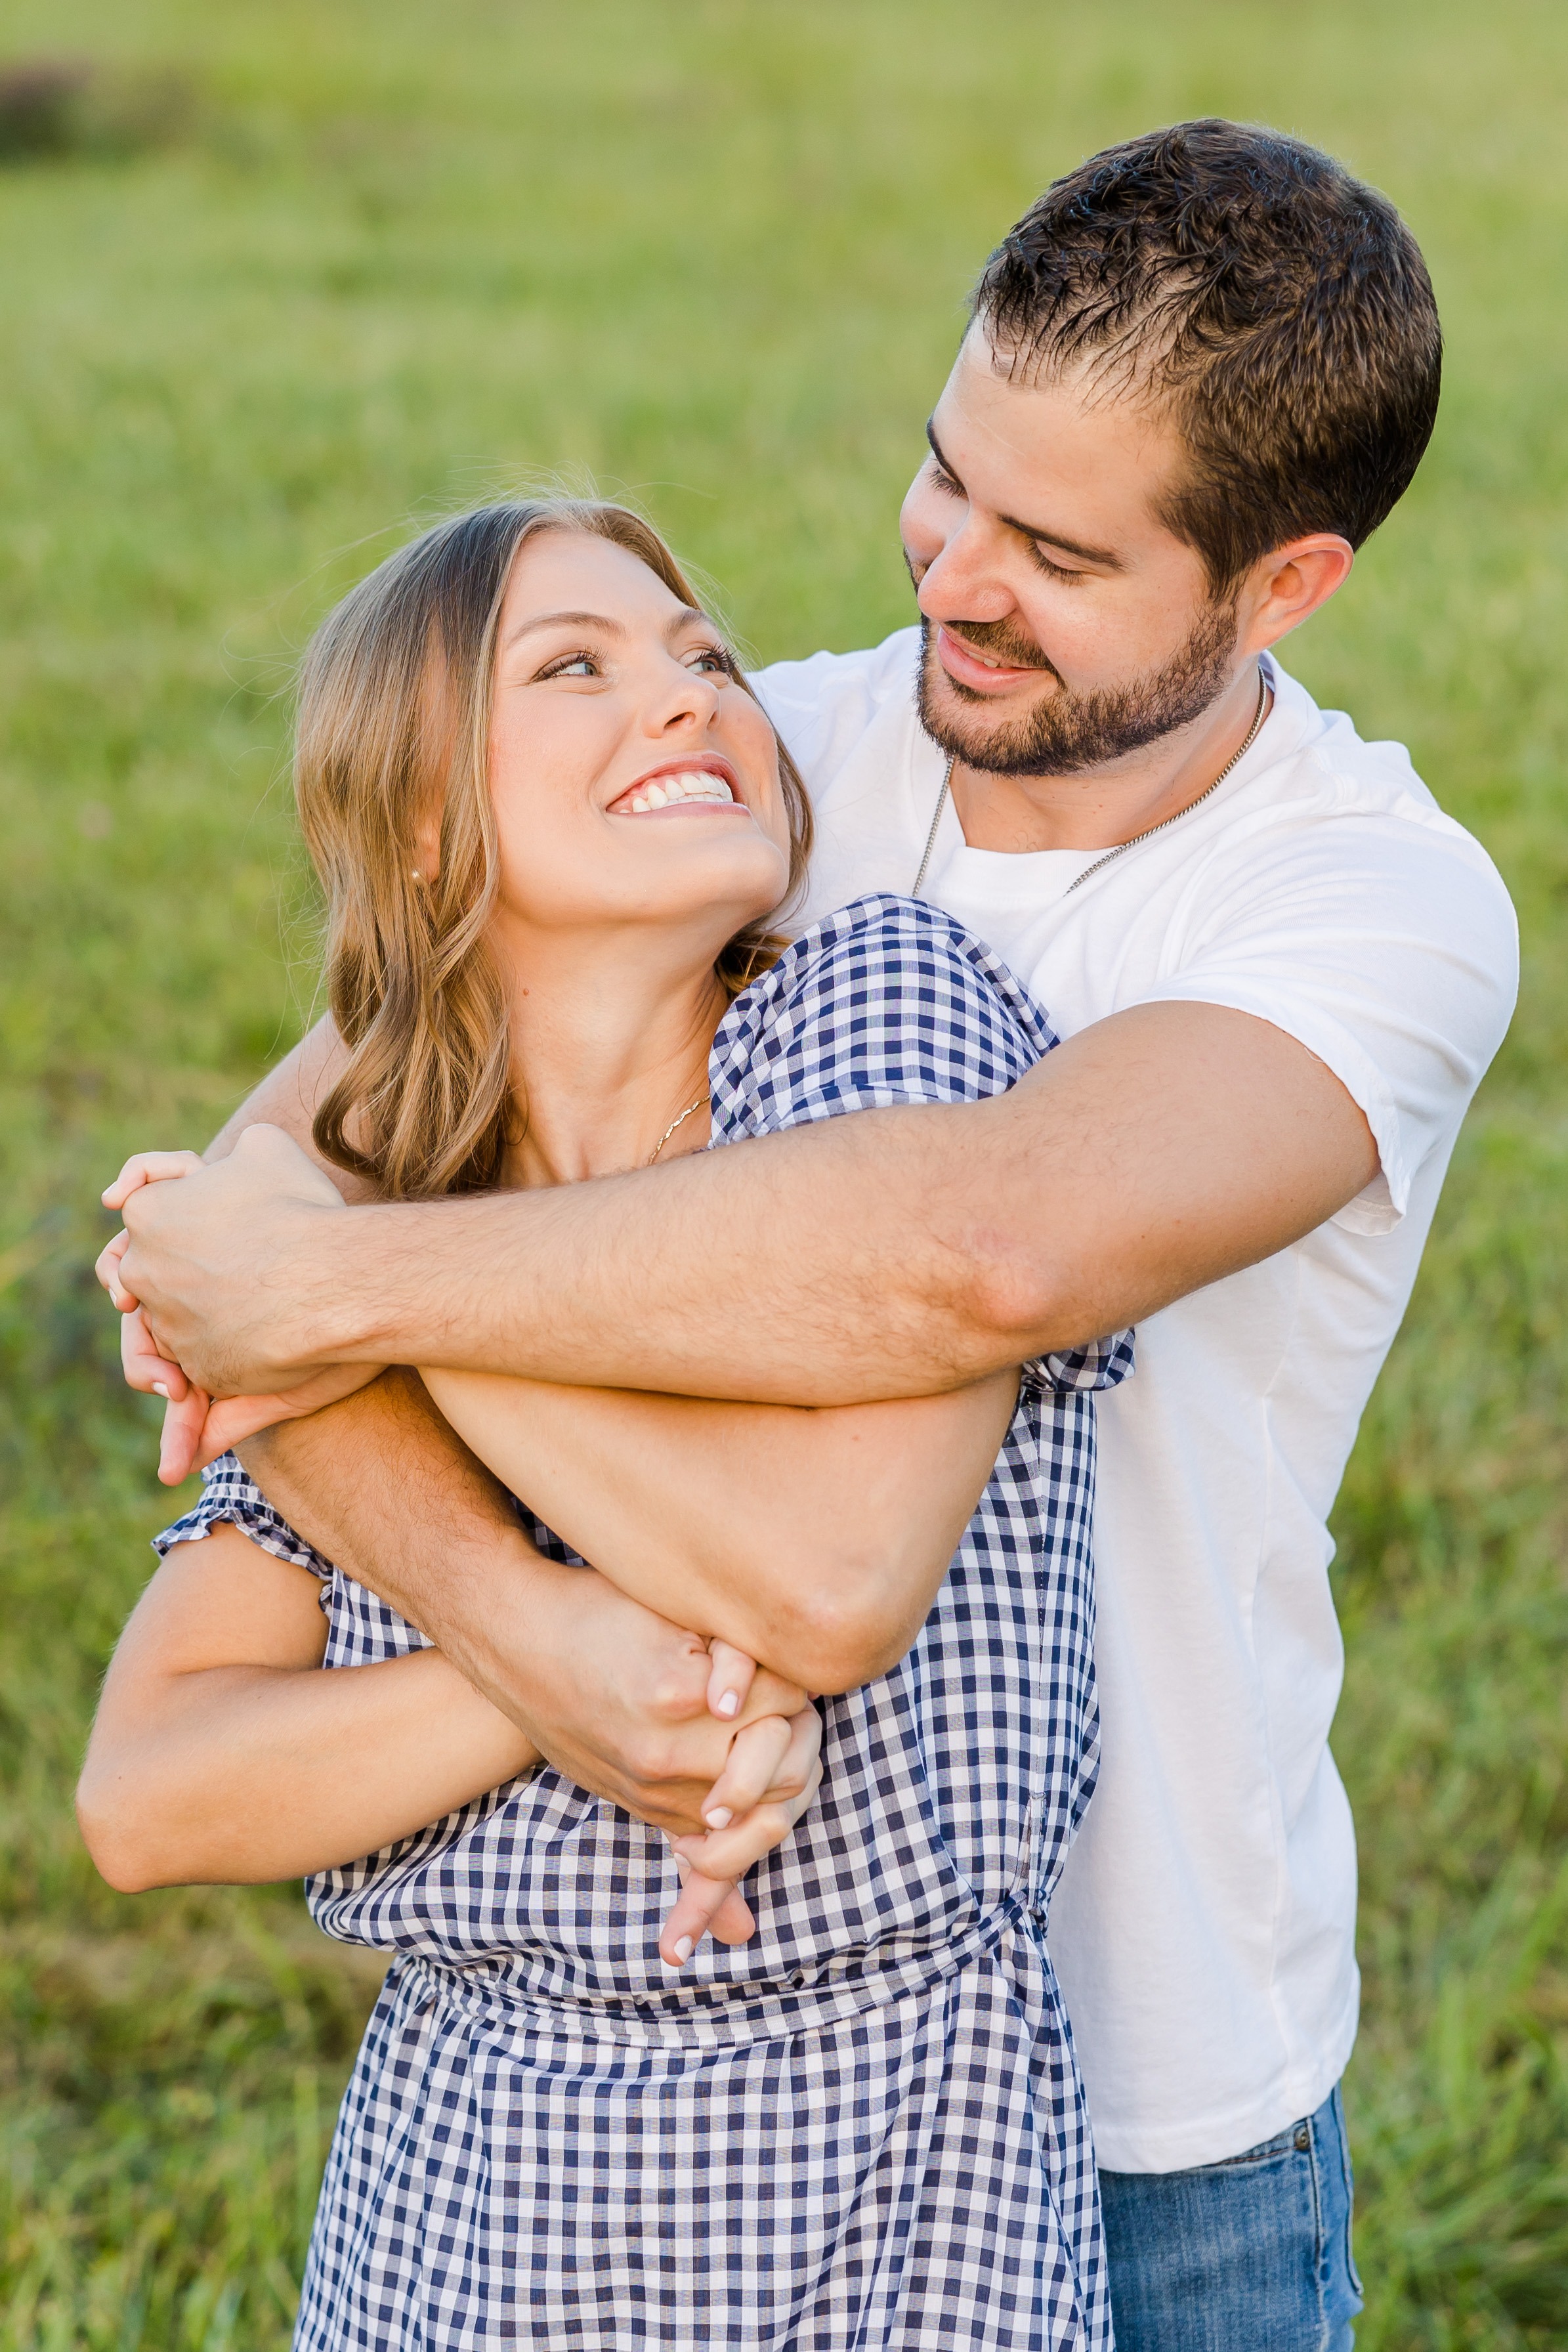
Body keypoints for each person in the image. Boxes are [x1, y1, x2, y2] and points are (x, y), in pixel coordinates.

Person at [102, 121, 1518, 2349]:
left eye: (1054, 547)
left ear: (1281, 587)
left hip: (1137, 2087)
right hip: (574, 2089)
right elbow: (284, 1184)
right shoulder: (768, 761)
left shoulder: (1369, 905)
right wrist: (535, 1643)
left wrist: (344, 1290)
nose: (948, 574)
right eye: (945, 474)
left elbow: (982, 1255)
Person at [80, 497, 1135, 2349]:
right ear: (424, 821)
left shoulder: (870, 1023)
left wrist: (362, 1304)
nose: (690, 696)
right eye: (575, 666)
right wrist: (562, 1663)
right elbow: (151, 1794)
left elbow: (822, 1577)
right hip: (466, 2203)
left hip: (882, 2182)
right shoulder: (388, 1177)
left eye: (703, 657)